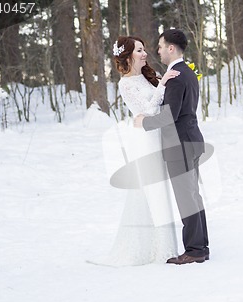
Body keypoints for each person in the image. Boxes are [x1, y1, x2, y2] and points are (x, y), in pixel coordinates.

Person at [88, 36, 181, 266]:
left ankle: (161, 247)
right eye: (139, 50)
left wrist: (163, 82)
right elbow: (148, 109)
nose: (145, 53)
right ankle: (158, 251)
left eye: (144, 49)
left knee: (159, 192)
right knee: (152, 190)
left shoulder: (148, 78)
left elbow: (160, 105)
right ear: (128, 56)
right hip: (145, 140)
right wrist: (163, 83)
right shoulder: (126, 84)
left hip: (157, 137)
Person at [134, 29, 209, 265]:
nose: (156, 50)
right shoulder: (186, 72)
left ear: (171, 48)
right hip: (190, 140)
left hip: (181, 145)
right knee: (193, 196)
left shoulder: (176, 76)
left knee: (187, 199)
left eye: (160, 46)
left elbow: (169, 116)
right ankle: (201, 246)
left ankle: (196, 250)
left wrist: (144, 122)